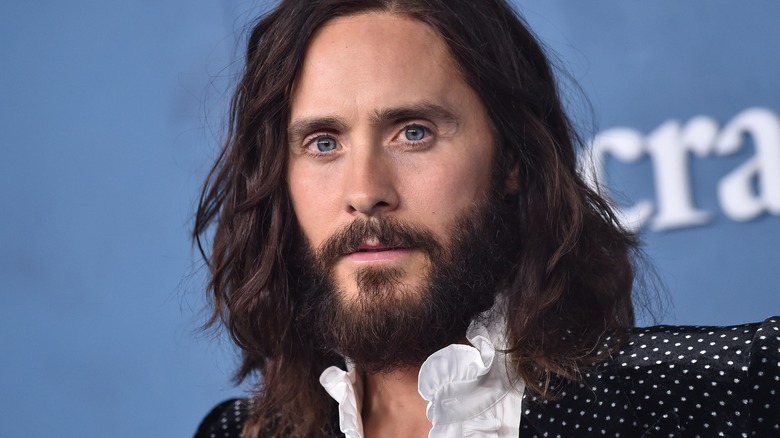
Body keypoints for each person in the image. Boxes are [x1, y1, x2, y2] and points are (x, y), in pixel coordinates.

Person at [193, 0, 780, 436]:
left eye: (413, 133)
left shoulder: (720, 392)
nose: (365, 191)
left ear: (511, 161)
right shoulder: (235, 434)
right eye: (324, 143)